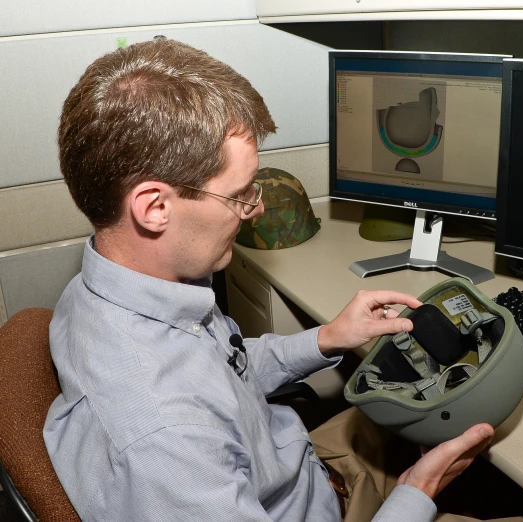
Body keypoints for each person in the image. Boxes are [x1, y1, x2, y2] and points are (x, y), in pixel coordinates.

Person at [44, 38, 498, 522]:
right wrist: (416, 492)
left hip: (298, 467)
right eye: (240, 194)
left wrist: (326, 339)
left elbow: (220, 376)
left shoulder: (111, 285)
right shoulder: (164, 444)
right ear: (155, 208)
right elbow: (190, 415)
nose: (257, 208)